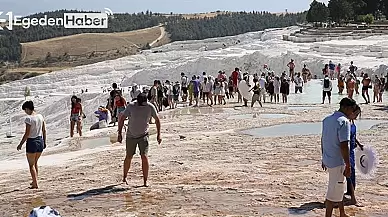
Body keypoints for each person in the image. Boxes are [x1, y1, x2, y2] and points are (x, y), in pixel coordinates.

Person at [321, 97, 358, 217]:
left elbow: (323, 140)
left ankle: (342, 212)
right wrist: (348, 164)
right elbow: (344, 145)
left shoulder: (327, 120)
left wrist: (323, 157)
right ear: (346, 108)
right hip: (338, 161)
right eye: (351, 110)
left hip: (328, 158)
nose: (352, 113)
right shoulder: (344, 121)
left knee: (338, 186)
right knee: (333, 191)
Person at [117, 93, 162, 187]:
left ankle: (145, 181)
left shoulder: (150, 106)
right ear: (137, 102)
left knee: (144, 157)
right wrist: (119, 133)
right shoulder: (131, 106)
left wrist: (159, 135)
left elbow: (157, 120)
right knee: (129, 156)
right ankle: (124, 177)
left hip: (143, 136)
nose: (143, 106)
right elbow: (122, 119)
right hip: (131, 136)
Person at [17, 101, 46, 189]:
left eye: (25, 110)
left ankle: (35, 183)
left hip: (32, 142)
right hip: (40, 141)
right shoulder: (40, 116)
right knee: (35, 162)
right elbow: (44, 130)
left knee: (31, 165)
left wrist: (20, 144)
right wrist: (45, 141)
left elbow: (27, 133)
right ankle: (34, 180)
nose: (25, 112)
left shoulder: (28, 119)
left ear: (27, 109)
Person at [346, 104, 363, 206]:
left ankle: (349, 192)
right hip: (347, 151)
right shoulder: (346, 122)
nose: (356, 117)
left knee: (352, 173)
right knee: (349, 172)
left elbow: (353, 136)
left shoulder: (352, 122)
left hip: (352, 150)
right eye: (356, 114)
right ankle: (353, 198)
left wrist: (359, 143)